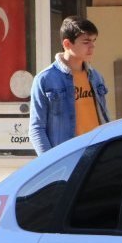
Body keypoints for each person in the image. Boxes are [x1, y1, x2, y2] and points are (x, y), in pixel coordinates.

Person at [29, 16, 110, 155]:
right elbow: (37, 129)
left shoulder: (96, 77)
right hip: (67, 157)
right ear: (67, 44)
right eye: (86, 42)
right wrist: (51, 162)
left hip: (97, 155)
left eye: (93, 41)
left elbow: (104, 118)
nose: (92, 46)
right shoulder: (45, 79)